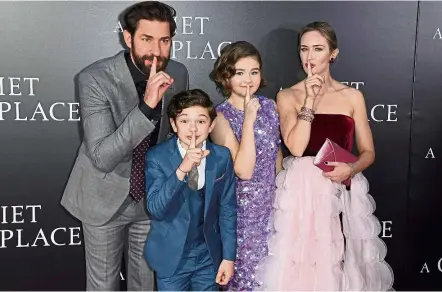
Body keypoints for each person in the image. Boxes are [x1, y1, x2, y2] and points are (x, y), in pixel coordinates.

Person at [255, 21, 394, 291]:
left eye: (318, 49)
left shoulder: (352, 96)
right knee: (302, 263)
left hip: (340, 188)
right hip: (302, 193)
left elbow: (368, 152)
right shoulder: (287, 96)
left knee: (341, 259)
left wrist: (351, 169)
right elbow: (295, 148)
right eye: (304, 49)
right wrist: (308, 99)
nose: (310, 56)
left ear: (333, 53)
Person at [60, 1, 188, 290]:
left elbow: (173, 137)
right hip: (104, 198)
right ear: (128, 37)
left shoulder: (178, 74)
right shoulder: (95, 78)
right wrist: (146, 107)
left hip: (150, 199)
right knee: (103, 286)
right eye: (146, 39)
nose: (157, 51)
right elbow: (102, 157)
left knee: (144, 284)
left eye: (164, 41)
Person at [144, 89, 237, 291]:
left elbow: (228, 210)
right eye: (185, 120)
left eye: (201, 121)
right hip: (171, 257)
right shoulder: (157, 157)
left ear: (211, 125)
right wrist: (181, 170)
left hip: (208, 256)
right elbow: (156, 208)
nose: (192, 128)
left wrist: (229, 257)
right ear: (173, 124)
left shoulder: (221, 157)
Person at [209, 41, 283, 291]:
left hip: (273, 212)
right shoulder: (219, 117)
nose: (248, 79)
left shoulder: (271, 107)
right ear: (225, 76)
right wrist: (249, 119)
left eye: (254, 71)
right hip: (241, 216)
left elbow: (277, 156)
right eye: (239, 72)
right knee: (245, 281)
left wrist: (284, 203)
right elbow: (243, 170)